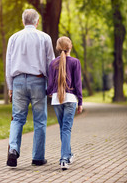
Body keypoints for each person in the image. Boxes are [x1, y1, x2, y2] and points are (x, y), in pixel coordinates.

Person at [6, 9, 55, 167]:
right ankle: (38, 158)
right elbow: (51, 63)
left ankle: (13, 149)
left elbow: (9, 64)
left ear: (23, 21)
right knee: (40, 120)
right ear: (37, 21)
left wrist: (10, 86)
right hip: (38, 82)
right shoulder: (45, 37)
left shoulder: (13, 38)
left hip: (18, 81)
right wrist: (51, 85)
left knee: (17, 118)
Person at [46, 36, 83, 170]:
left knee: (63, 129)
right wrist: (80, 101)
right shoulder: (75, 62)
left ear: (57, 47)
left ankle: (69, 154)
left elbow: (50, 85)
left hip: (57, 99)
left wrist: (49, 92)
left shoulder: (53, 63)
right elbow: (78, 84)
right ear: (70, 47)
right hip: (70, 99)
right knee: (66, 129)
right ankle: (64, 159)